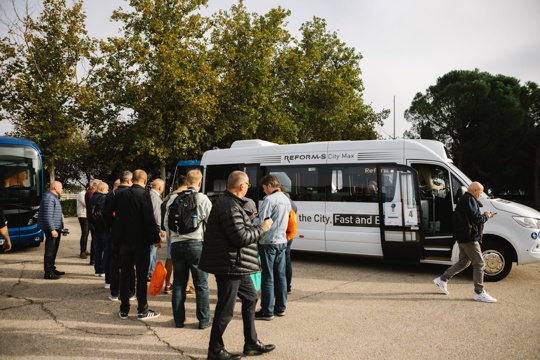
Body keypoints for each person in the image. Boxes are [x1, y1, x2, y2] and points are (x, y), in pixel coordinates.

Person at [199, 171, 275, 360]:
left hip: (237, 265)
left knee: (250, 298)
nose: (249, 187)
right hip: (230, 265)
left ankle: (251, 342)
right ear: (242, 186)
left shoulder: (231, 204)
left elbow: (235, 230)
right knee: (225, 310)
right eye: (248, 184)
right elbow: (240, 238)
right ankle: (215, 350)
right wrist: (262, 228)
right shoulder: (228, 206)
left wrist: (247, 222)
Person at [108, 169, 161, 320]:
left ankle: (124, 309)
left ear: (132, 180)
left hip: (124, 241)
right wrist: (155, 239)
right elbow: (149, 219)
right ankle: (142, 309)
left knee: (125, 274)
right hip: (141, 242)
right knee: (141, 276)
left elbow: (108, 213)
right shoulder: (145, 195)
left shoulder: (121, 194)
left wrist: (115, 232)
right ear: (145, 181)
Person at [433, 181, 497, 303]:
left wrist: (484, 215)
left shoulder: (464, 199)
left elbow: (472, 217)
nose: (481, 195)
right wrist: (487, 216)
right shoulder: (469, 200)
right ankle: (479, 292)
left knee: (464, 261)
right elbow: (477, 219)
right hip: (469, 238)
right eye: (481, 192)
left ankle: (442, 279)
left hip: (462, 236)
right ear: (475, 191)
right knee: (479, 264)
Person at [165, 169, 212, 329]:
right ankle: (204, 320)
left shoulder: (173, 199)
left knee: (178, 283)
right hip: (196, 244)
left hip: (177, 245)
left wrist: (175, 237)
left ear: (186, 182)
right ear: (199, 183)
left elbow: (166, 223)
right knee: (201, 284)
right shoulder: (202, 198)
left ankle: (179, 320)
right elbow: (211, 222)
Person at [253, 175, 291, 320]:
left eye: (264, 188)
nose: (264, 192)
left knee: (267, 277)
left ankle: (267, 310)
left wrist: (251, 219)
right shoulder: (285, 199)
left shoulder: (269, 199)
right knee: (280, 276)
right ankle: (280, 307)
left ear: (269, 185)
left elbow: (263, 221)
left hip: (268, 241)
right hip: (282, 240)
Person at [105, 171, 135, 298]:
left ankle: (115, 292)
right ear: (129, 181)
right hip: (131, 234)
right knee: (130, 263)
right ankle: (130, 291)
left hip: (116, 233)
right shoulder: (134, 193)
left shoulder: (112, 194)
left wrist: (111, 226)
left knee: (115, 263)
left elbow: (105, 214)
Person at [161, 175, 188, 294]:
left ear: (177, 184)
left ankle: (167, 285)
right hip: (186, 231)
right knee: (186, 258)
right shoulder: (188, 196)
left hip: (171, 231)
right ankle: (186, 286)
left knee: (169, 257)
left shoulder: (169, 197)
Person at [38, 181, 65, 280]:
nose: (62, 189)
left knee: (54, 249)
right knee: (50, 250)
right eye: (60, 187)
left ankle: (52, 269)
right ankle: (48, 272)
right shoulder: (49, 198)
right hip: (51, 228)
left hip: (55, 227)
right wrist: (52, 229)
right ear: (54, 187)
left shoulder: (53, 197)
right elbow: (47, 216)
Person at [88, 182, 110, 277]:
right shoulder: (103, 198)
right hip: (103, 228)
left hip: (94, 227)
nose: (108, 191)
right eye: (107, 189)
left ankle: (97, 270)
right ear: (102, 189)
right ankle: (104, 270)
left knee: (98, 249)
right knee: (106, 249)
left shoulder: (92, 198)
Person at [279, 185, 297, 294]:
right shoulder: (291, 201)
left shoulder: (282, 202)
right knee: (287, 260)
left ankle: (283, 287)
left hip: (282, 235)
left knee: (282, 261)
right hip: (289, 234)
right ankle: (287, 286)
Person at [148, 178, 165, 281]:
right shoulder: (155, 197)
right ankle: (149, 272)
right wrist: (160, 229)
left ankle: (150, 271)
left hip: (150, 227)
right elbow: (156, 214)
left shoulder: (151, 195)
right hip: (153, 228)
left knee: (152, 251)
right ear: (160, 187)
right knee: (151, 251)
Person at [86, 179, 101, 265]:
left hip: (92, 219)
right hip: (94, 220)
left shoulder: (90, 193)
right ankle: (94, 259)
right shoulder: (91, 193)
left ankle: (93, 259)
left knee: (94, 239)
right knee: (95, 240)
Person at [77, 184, 90, 259]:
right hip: (83, 215)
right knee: (84, 233)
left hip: (87, 215)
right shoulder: (81, 194)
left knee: (87, 233)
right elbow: (86, 203)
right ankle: (82, 251)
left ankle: (85, 249)